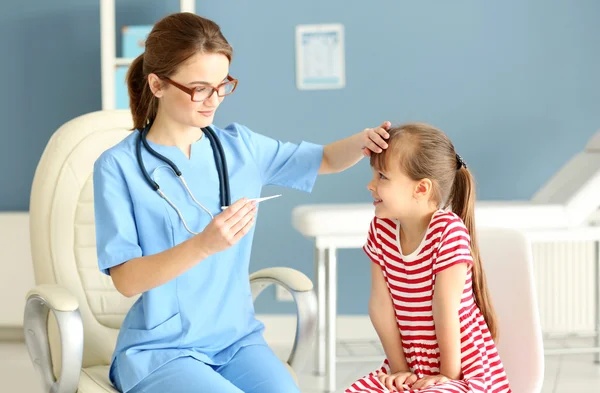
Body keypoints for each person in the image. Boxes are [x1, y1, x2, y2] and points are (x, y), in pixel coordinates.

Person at [93, 11, 390, 393]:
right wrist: (203, 245)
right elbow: (127, 281)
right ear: (157, 84)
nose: (213, 100)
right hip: (161, 349)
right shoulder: (118, 166)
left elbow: (327, 159)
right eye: (199, 88)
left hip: (235, 340)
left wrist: (367, 140)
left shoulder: (240, 148)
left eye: (222, 85)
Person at [345, 123, 511, 393]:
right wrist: (399, 369)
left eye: (382, 177)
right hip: (413, 364)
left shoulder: (448, 231)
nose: (370, 185)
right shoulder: (381, 230)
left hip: (461, 367)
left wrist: (447, 374)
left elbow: (445, 307)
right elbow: (380, 305)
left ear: (421, 189)